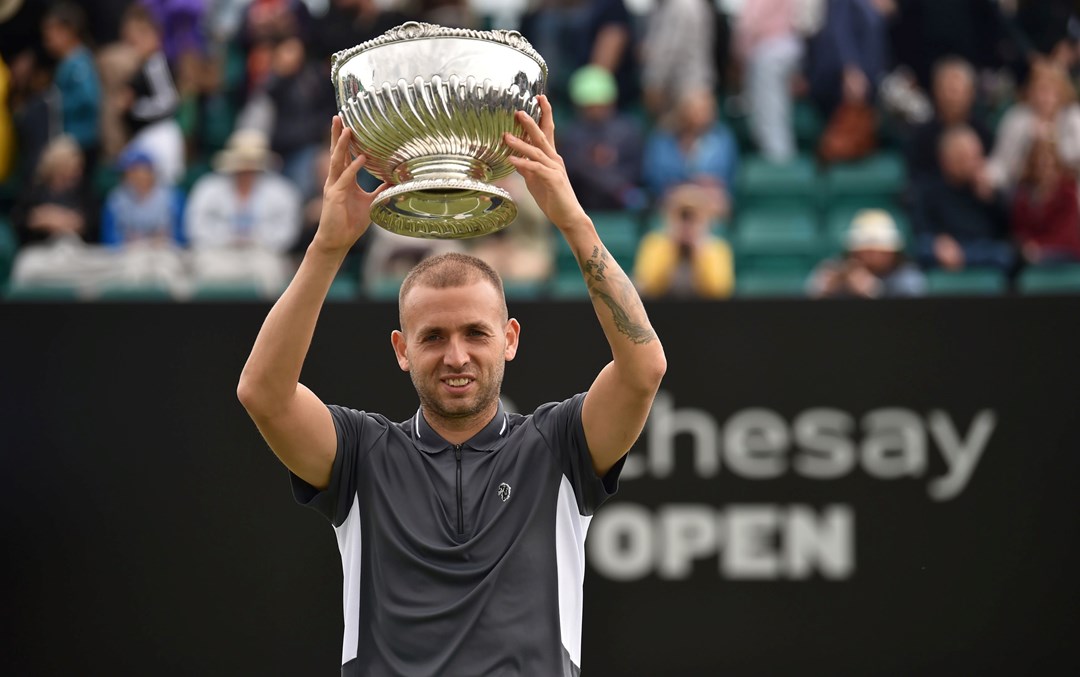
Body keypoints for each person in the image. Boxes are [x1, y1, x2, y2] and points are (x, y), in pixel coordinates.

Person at [236, 97, 666, 675]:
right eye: (433, 336)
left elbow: (644, 370)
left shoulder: (557, 445)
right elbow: (262, 393)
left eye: (476, 334)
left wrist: (572, 219)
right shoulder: (361, 454)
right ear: (402, 350)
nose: (456, 355)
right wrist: (328, 247)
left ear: (510, 339)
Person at [912, 125, 1014, 272]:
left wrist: (991, 199)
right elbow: (922, 228)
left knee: (1005, 254)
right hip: (946, 250)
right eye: (964, 158)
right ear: (946, 160)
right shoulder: (929, 190)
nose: (973, 163)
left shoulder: (988, 189)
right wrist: (938, 242)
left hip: (983, 250)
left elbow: (1006, 230)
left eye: (976, 156)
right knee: (923, 249)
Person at [633, 182, 734, 299]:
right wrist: (672, 248)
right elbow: (649, 287)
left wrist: (699, 253)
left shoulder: (717, 248)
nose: (687, 223)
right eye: (682, 216)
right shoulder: (654, 244)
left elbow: (720, 291)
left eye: (693, 217)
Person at [808, 208, 926, 298]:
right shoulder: (839, 267)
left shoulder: (906, 274)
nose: (873, 256)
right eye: (867, 251)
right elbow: (812, 291)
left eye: (880, 250)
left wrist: (875, 291)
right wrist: (827, 289)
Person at [1010, 139, 1080, 264]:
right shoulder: (1023, 197)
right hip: (1031, 253)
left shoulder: (1068, 194)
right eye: (1040, 166)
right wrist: (1029, 246)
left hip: (1065, 251)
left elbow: (1067, 234)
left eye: (1050, 166)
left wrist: (1040, 247)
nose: (1046, 172)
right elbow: (1020, 231)